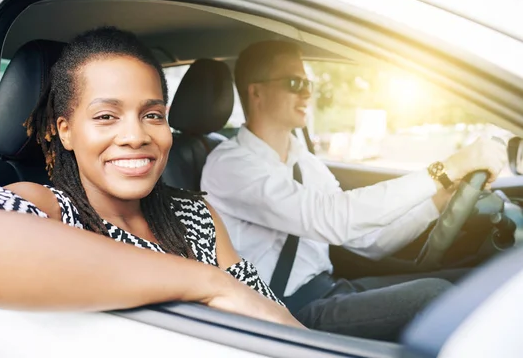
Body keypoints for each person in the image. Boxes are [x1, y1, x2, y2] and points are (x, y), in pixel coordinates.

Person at [0, 28, 302, 329]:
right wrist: (207, 283)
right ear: (66, 131)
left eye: (152, 115)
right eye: (106, 116)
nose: (136, 135)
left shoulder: (196, 215)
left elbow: (270, 317)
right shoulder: (51, 210)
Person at [200, 40, 508, 341]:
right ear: (256, 92)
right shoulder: (231, 165)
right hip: (286, 314)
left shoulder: (304, 161)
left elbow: (370, 242)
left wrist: (437, 202)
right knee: (436, 296)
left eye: (308, 82)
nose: (308, 91)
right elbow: (333, 219)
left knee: (473, 284)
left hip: (330, 290)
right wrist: (443, 170)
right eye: (295, 82)